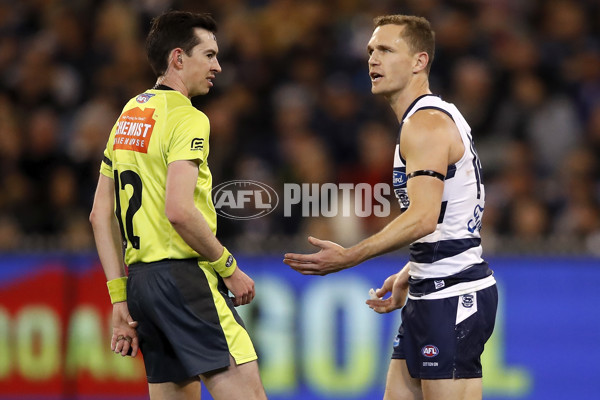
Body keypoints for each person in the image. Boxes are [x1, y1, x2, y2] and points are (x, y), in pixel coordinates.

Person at [284, 15, 498, 400]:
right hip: (429, 288)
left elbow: (423, 217)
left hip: (452, 294)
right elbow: (450, 217)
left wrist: (351, 255)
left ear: (419, 61)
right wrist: (410, 270)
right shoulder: (429, 118)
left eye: (385, 50)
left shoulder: (425, 124)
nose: (372, 60)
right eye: (370, 51)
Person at [89, 11, 267, 400]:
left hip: (141, 285)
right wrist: (228, 267)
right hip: (185, 281)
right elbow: (179, 210)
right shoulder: (188, 118)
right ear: (178, 58)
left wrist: (119, 296)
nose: (217, 66)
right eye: (209, 55)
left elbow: (99, 213)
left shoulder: (128, 114)